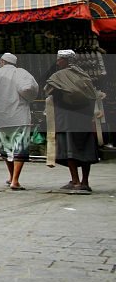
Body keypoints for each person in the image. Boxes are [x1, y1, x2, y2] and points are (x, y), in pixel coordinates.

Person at [44, 50, 102, 193]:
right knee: (85, 148)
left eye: (59, 60)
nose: (57, 62)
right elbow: (91, 95)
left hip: (67, 118)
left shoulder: (58, 76)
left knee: (70, 149)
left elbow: (48, 90)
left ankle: (75, 180)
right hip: (83, 118)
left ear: (65, 61)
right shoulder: (84, 75)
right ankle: (85, 182)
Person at [0, 53, 39, 190]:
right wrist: (27, 98)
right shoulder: (21, 73)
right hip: (19, 116)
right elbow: (28, 88)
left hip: (1, 118)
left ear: (2, 61)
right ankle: (15, 180)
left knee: (6, 149)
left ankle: (11, 177)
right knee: (19, 148)